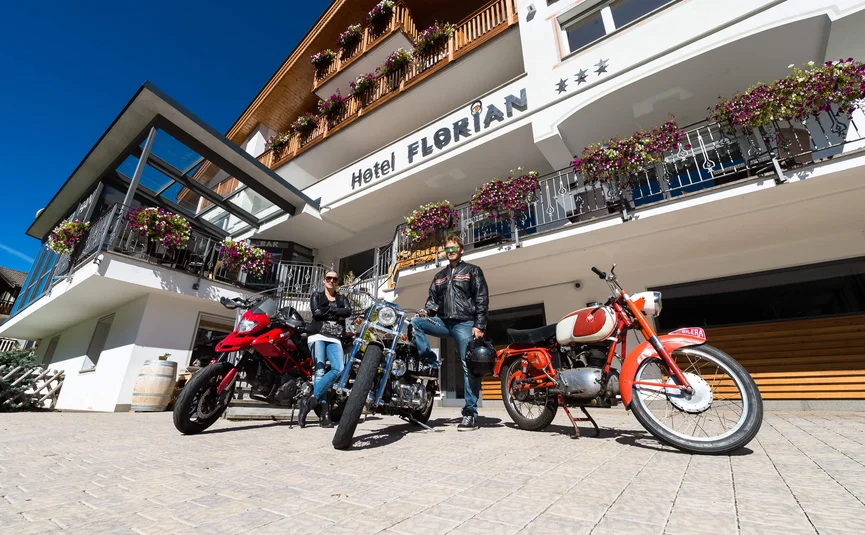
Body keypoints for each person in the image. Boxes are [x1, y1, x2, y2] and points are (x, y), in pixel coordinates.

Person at [411, 234, 489, 431]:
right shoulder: (440, 276)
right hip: (444, 322)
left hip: (465, 323)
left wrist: (479, 325)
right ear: (445, 252)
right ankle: (429, 362)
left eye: (454, 248)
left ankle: (470, 415)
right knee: (416, 322)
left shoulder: (472, 271)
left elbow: (481, 298)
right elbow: (432, 301)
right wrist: (426, 311)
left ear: (461, 250)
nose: (451, 251)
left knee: (468, 367)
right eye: (448, 249)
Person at [298, 270, 351, 428]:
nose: (331, 281)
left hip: (335, 338)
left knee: (338, 368)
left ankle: (309, 401)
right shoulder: (316, 295)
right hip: (318, 336)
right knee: (320, 372)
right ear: (324, 280)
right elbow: (317, 313)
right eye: (329, 278)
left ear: (337, 281)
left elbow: (348, 311)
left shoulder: (342, 298)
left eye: (334, 279)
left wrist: (329, 311)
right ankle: (325, 416)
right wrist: (336, 312)